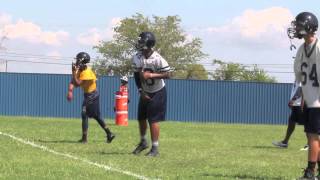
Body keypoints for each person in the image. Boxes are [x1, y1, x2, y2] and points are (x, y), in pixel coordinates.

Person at [289, 12, 320, 179]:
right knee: (310, 135)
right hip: (310, 98)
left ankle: (310, 173)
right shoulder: (302, 49)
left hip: (318, 100)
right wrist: (303, 96)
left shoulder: (318, 48)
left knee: (313, 136)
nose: (297, 29)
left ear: (309, 27)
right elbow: (301, 76)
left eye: (300, 25)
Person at [131, 31, 171, 157]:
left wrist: (152, 75)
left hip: (157, 91)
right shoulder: (137, 57)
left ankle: (155, 148)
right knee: (141, 118)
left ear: (148, 43)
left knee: (153, 120)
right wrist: (141, 91)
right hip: (145, 91)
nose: (139, 44)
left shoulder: (158, 59)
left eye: (141, 42)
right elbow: (137, 76)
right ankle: (143, 142)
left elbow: (168, 74)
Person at [67, 52, 115, 144]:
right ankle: (109, 134)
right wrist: (70, 90)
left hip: (92, 95)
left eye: (78, 59)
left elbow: (77, 83)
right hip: (89, 94)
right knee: (96, 116)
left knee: (84, 113)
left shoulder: (87, 72)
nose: (76, 61)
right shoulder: (80, 70)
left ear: (82, 61)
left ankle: (84, 139)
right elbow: (73, 81)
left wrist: (73, 72)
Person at [272, 81, 308, 150]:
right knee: (291, 122)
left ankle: (310, 144)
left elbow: (300, 91)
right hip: (295, 105)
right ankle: (285, 142)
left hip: (300, 105)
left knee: (307, 125)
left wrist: (292, 100)